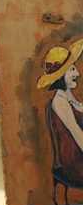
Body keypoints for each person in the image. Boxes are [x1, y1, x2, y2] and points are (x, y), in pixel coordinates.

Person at [38, 39, 83, 186]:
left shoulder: (68, 98)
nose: (77, 72)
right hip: (75, 162)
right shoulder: (60, 102)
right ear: (60, 76)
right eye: (71, 69)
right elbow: (77, 134)